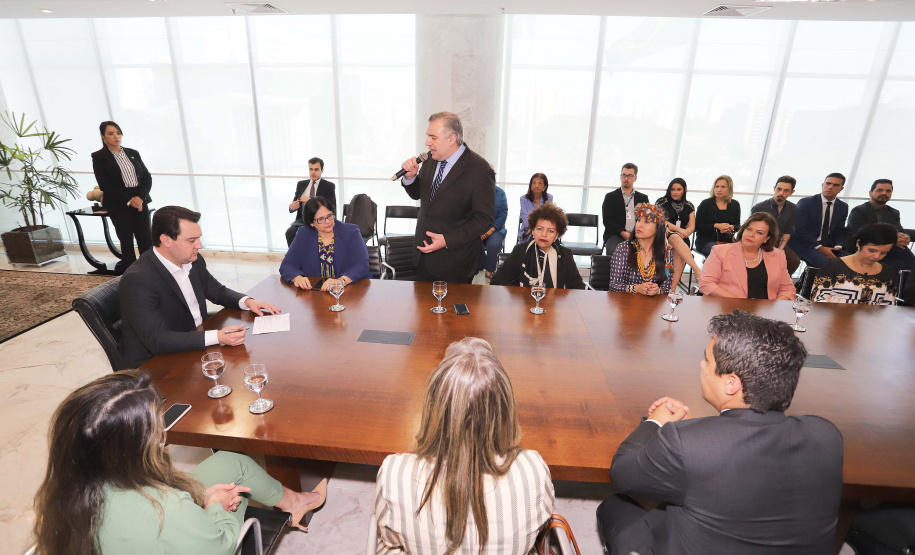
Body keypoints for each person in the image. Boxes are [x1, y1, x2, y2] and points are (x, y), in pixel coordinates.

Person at [597, 310, 843, 555]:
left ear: (731, 383)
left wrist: (655, 422)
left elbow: (622, 473)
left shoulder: (686, 445)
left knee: (615, 508)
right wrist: (696, 431)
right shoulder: (827, 435)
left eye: (707, 360)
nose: (701, 365)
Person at [33, 370, 328, 554]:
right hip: (206, 539)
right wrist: (215, 509)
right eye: (155, 428)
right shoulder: (168, 510)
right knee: (233, 495)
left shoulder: (69, 490)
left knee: (230, 462)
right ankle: (289, 503)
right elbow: (221, 547)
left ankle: (294, 503)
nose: (162, 431)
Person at [374, 337, 554, 555]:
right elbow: (541, 526)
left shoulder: (394, 474)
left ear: (435, 406)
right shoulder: (533, 470)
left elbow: (390, 539)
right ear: (505, 407)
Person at [119, 206, 280, 368]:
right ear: (166, 240)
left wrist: (247, 301)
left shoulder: (192, 260)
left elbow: (216, 291)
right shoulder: (138, 280)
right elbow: (157, 340)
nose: (200, 245)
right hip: (158, 364)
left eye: (199, 238)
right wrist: (217, 336)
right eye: (191, 240)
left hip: (194, 342)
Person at [399, 112, 495, 283]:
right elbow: (421, 196)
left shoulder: (480, 170)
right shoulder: (429, 159)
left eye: (433, 137)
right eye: (428, 136)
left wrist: (447, 240)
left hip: (455, 262)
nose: (427, 142)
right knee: (422, 309)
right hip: (422, 257)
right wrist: (410, 178)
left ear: (451, 138)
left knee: (450, 310)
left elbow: (484, 219)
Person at [91, 121, 153, 274]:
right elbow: (105, 184)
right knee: (126, 240)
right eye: (110, 133)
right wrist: (129, 200)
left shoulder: (133, 152)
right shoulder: (99, 157)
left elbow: (147, 177)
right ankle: (133, 275)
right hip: (118, 203)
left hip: (140, 200)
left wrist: (139, 198)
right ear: (102, 136)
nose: (116, 136)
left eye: (118, 133)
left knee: (145, 239)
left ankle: (151, 272)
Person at [279, 196, 370, 291]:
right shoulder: (304, 234)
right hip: (316, 293)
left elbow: (362, 264)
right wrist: (298, 278)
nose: (327, 222)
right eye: (321, 219)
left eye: (329, 216)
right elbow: (287, 265)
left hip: (350, 291)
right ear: (312, 223)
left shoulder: (351, 231)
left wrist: (341, 281)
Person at [699, 212, 795, 301]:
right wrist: (741, 303)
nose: (751, 235)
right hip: (729, 309)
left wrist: (772, 308)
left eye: (759, 233)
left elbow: (787, 289)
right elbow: (706, 283)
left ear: (767, 238)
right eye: (749, 229)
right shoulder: (720, 251)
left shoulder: (778, 256)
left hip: (766, 313)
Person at [491, 202, 585, 289]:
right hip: (524, 304)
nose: (544, 234)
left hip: (553, 305)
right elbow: (497, 280)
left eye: (550, 231)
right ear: (533, 230)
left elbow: (578, 288)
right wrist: (519, 295)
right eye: (539, 229)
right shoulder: (520, 251)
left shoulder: (564, 255)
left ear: (556, 235)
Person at [811, 223, 898, 305]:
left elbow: (889, 306)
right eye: (872, 250)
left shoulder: (887, 273)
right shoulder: (834, 266)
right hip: (835, 319)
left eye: (883, 253)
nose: (876, 256)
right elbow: (818, 301)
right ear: (858, 243)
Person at [844, 179, 915, 272]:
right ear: (870, 193)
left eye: (888, 191)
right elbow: (862, 234)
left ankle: (906, 285)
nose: (884, 193)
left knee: (911, 261)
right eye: (880, 190)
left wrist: (905, 237)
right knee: (896, 264)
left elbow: (899, 230)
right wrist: (893, 239)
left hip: (888, 247)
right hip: (864, 247)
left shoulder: (893, 212)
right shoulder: (859, 211)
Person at [608, 203, 673, 296]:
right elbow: (613, 286)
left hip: (652, 307)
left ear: (659, 228)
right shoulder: (623, 249)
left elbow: (667, 288)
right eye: (638, 220)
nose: (639, 225)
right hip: (625, 304)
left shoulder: (666, 252)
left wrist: (657, 290)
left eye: (646, 222)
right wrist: (636, 288)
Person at [787, 172, 850, 267]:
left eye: (835, 185)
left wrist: (838, 246)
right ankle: (811, 281)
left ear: (841, 189)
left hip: (827, 244)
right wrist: (820, 248)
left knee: (849, 261)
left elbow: (839, 230)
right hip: (804, 244)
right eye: (828, 183)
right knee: (826, 264)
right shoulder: (806, 202)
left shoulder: (842, 207)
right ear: (822, 185)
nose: (830, 187)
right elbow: (800, 230)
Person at [656, 178, 702, 287]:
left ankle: (672, 287)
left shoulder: (689, 205)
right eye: (673, 189)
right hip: (664, 234)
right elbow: (661, 220)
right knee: (676, 238)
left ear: (684, 190)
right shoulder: (661, 202)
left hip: (683, 237)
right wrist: (680, 230)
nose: (675, 192)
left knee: (679, 250)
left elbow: (692, 225)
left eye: (679, 189)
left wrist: (686, 233)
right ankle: (696, 269)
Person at [751, 175, 801, 275]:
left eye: (786, 190)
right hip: (760, 242)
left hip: (778, 242)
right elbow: (752, 230)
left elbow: (787, 231)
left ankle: (779, 283)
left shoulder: (793, 209)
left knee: (794, 261)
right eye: (779, 189)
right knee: (767, 262)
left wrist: (780, 249)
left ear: (792, 192)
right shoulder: (759, 207)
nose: (781, 193)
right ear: (774, 188)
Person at [285, 157, 337, 246]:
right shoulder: (301, 184)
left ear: (322, 170)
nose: (313, 172)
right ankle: (296, 258)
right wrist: (291, 207)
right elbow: (295, 203)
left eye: (316, 169)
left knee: (313, 236)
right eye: (311, 169)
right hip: (302, 220)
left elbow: (332, 207)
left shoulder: (328, 186)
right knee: (290, 232)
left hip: (320, 221)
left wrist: (310, 200)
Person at [602, 162, 649, 255]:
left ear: (635, 178)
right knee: (614, 252)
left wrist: (637, 233)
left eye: (630, 176)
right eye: (624, 175)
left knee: (644, 252)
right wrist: (622, 232)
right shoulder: (610, 197)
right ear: (620, 177)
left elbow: (646, 219)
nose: (626, 178)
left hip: (637, 235)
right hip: (616, 234)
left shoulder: (643, 198)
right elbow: (607, 221)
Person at [695, 175, 741, 257]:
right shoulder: (705, 204)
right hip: (705, 241)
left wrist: (731, 227)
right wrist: (716, 226)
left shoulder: (735, 204)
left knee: (738, 252)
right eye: (717, 186)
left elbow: (738, 225)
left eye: (723, 187)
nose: (719, 190)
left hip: (727, 240)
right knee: (720, 251)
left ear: (729, 189)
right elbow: (697, 226)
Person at [481, 184, 508, 280]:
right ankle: (480, 266)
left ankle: (489, 271)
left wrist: (492, 229)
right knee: (472, 242)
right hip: (477, 228)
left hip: (496, 228)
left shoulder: (500, 193)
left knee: (493, 245)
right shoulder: (474, 190)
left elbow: (503, 214)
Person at [518, 172, 553, 242]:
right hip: (527, 230)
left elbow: (548, 217)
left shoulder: (549, 198)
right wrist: (534, 229)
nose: (536, 186)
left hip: (544, 231)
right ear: (530, 186)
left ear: (544, 187)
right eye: (534, 183)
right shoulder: (524, 199)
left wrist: (537, 229)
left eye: (540, 183)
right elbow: (525, 219)